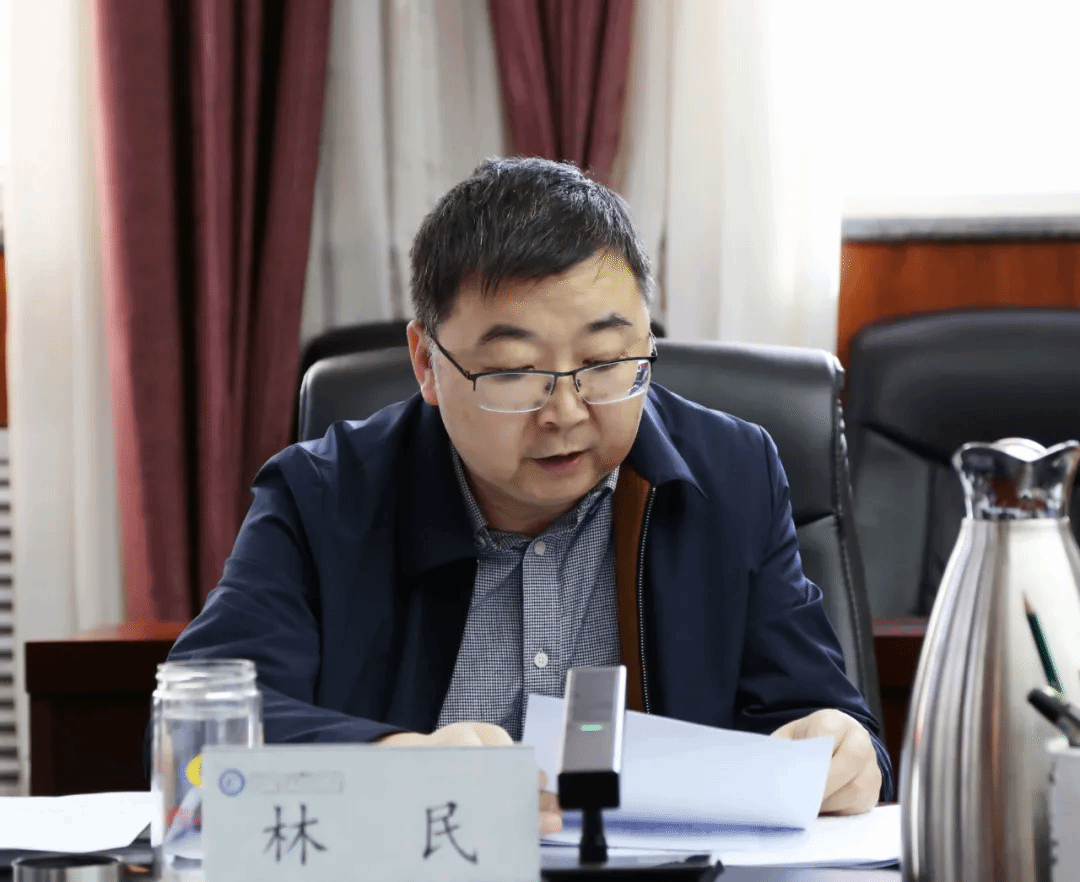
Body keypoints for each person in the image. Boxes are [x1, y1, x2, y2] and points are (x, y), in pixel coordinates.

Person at [163, 157, 892, 835]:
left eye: (605, 360)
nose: (566, 412)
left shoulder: (732, 476)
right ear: (427, 362)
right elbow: (193, 741)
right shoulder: (323, 496)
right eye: (514, 371)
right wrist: (397, 767)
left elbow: (819, 718)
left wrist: (844, 750)